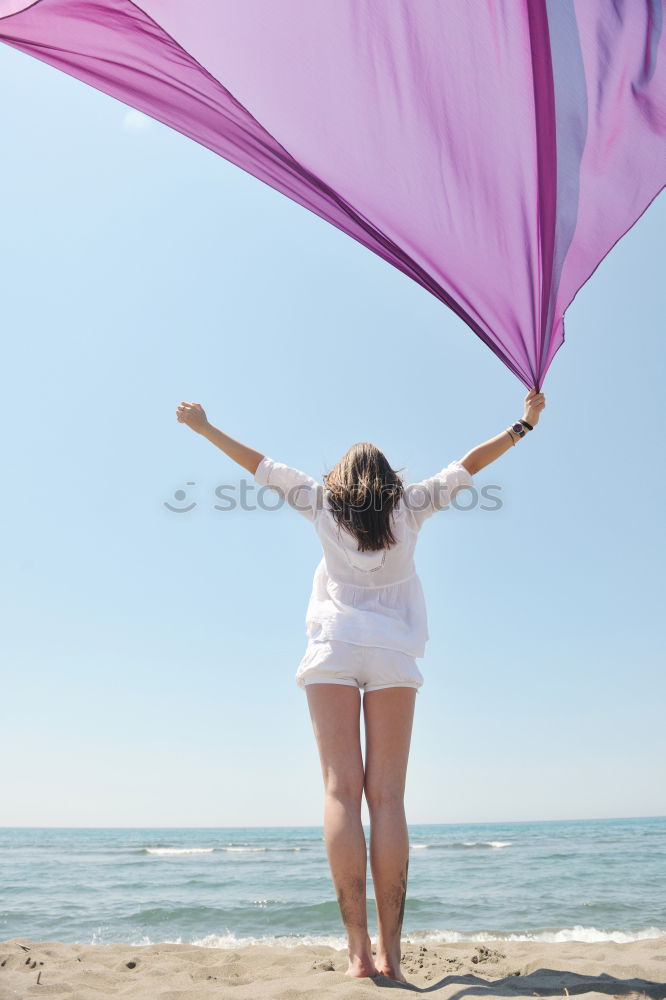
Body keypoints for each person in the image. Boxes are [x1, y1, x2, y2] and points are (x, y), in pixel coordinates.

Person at [176, 387, 546, 982]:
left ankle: (358, 955)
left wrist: (205, 427)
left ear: (342, 479)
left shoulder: (320, 504)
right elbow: (471, 463)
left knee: (340, 794)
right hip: (394, 655)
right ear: (387, 480)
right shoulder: (411, 507)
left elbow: (258, 464)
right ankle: (394, 957)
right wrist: (523, 425)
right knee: (389, 798)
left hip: (333, 652)